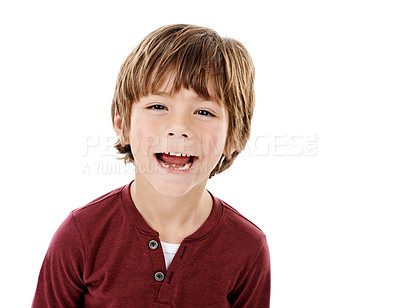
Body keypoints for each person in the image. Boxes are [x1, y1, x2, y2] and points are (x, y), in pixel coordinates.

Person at [32, 24, 270, 307]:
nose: (179, 128)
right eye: (158, 107)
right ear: (123, 124)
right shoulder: (80, 235)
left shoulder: (248, 248)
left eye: (203, 111)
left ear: (233, 136)